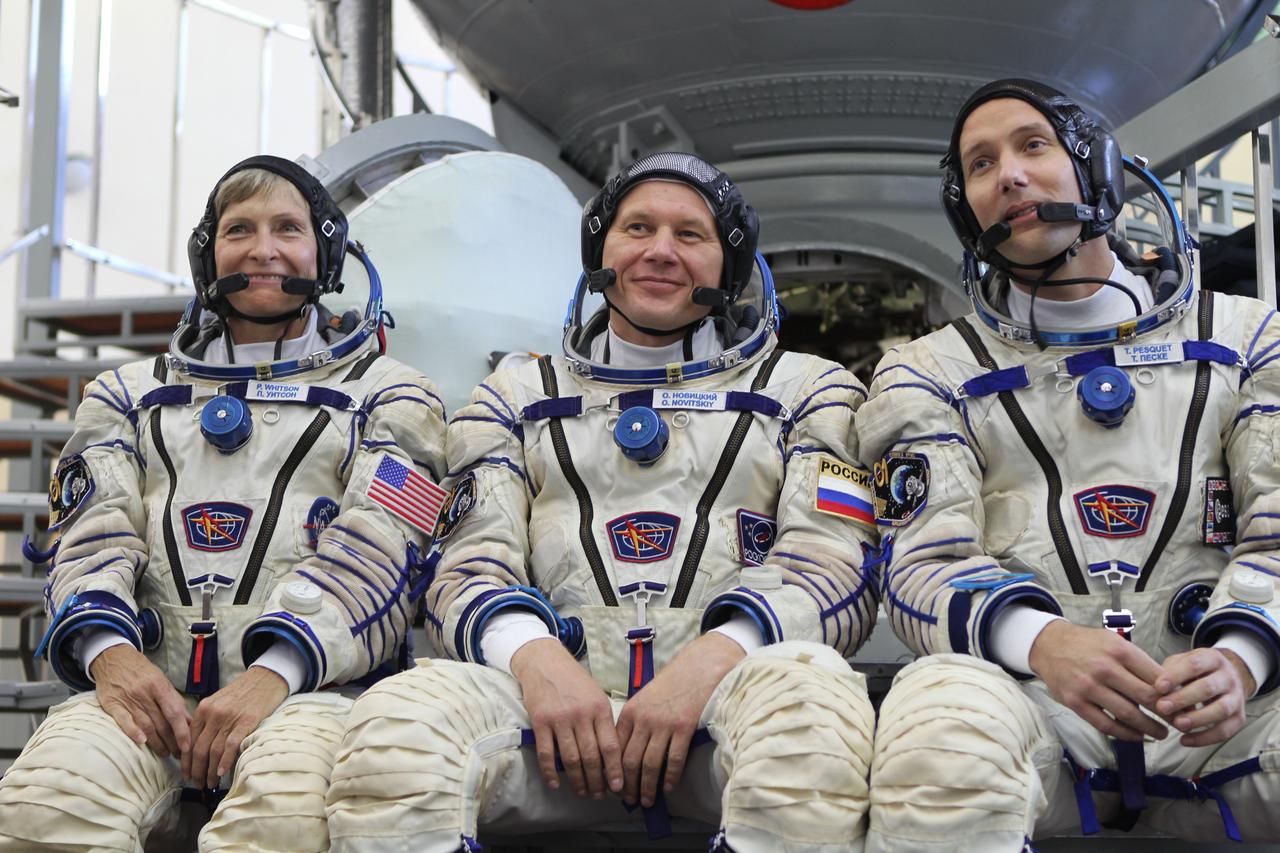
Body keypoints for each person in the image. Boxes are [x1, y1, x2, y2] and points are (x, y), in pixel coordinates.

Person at [326, 152, 878, 852]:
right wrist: (536, 658)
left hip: (734, 693)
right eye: (638, 227)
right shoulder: (514, 396)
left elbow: (833, 560)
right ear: (599, 250)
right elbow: (467, 562)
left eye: (690, 234)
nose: (660, 251)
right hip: (547, 704)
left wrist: (709, 662)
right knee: (395, 739)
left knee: (812, 731)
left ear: (729, 263)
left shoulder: (810, 391)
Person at [857, 78, 1280, 851]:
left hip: (1234, 715)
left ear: (1097, 168)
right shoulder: (927, 372)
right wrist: (1040, 641)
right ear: (965, 208)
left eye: (1033, 146)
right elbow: (919, 563)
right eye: (981, 164)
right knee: (936, 743)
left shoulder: (1250, 339)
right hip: (1035, 711)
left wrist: (1243, 654)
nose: (1010, 175)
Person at [0, 155, 447, 852]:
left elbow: (383, 551)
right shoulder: (125, 396)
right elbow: (91, 536)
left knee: (281, 825)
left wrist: (277, 670)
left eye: (287, 228)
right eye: (240, 229)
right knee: (43, 810)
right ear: (208, 254)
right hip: (146, 690)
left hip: (313, 693)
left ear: (326, 253)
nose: (263, 249)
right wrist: (110, 655)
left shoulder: (393, 395)